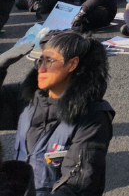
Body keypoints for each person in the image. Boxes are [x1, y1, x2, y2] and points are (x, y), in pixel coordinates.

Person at [0, 31, 114, 195]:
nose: (41, 68)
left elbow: (79, 185)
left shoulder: (92, 117)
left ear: (72, 64)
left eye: (49, 61)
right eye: (40, 61)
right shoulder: (28, 98)